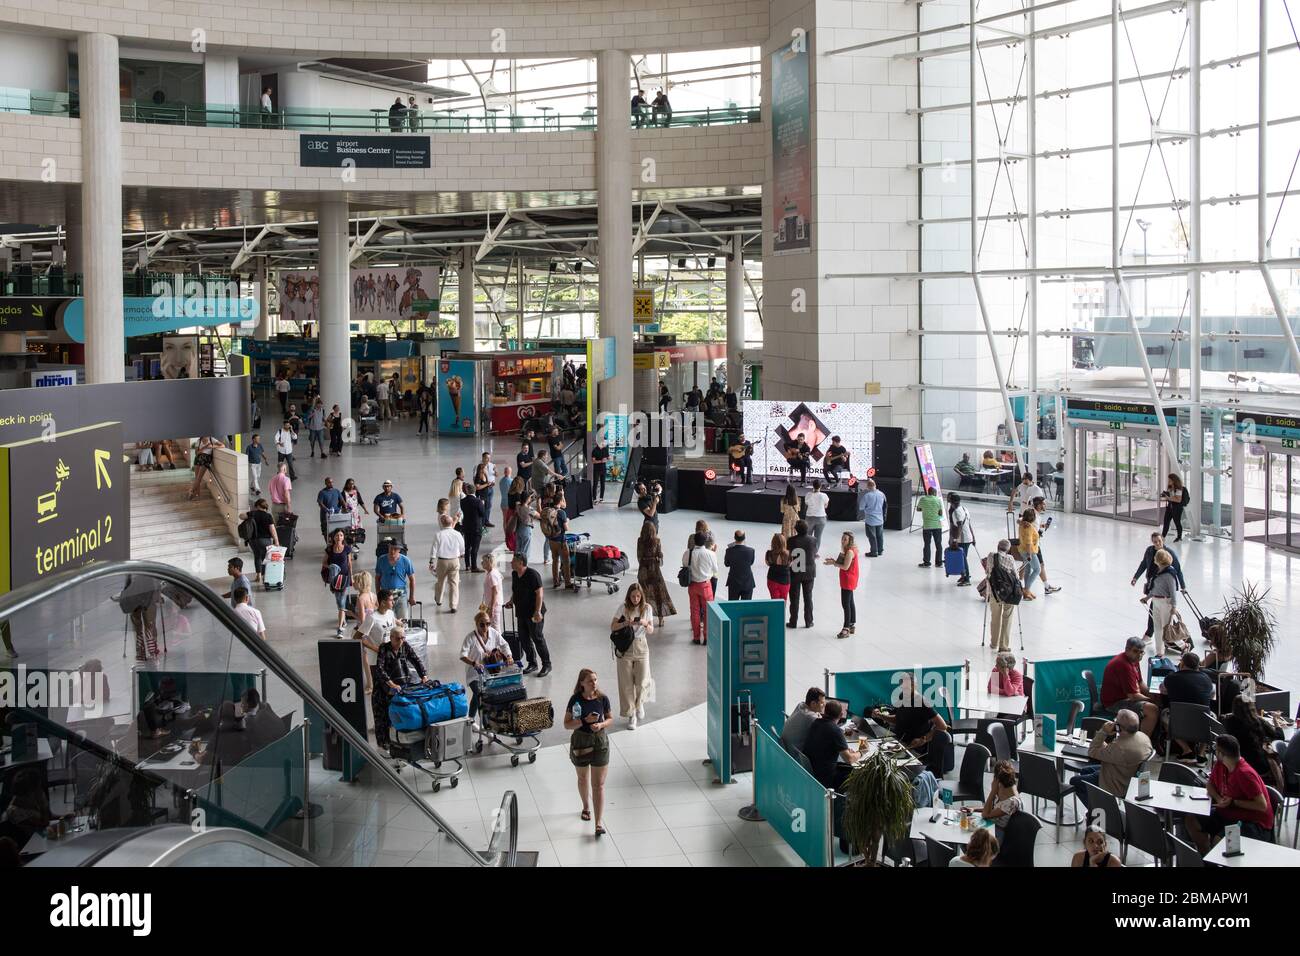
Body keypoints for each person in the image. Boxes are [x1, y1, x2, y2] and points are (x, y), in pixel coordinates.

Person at [1185, 733, 1276, 851]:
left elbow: (1262, 805)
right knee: (1191, 820)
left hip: (1253, 823)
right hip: (1228, 813)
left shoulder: (1245, 774)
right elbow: (1210, 785)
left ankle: (1214, 860)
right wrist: (1219, 799)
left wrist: (1234, 802)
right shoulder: (1221, 764)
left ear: (1221, 754)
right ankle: (1205, 858)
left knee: (1220, 841)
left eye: (1215, 749)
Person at [1069, 709, 1152, 813]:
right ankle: (1097, 801)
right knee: (1085, 770)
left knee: (1075, 781)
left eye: (1115, 721)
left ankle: (1098, 811)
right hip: (1125, 773)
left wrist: (1103, 732)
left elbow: (1092, 751)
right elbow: (1113, 752)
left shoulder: (1120, 747)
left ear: (1118, 727)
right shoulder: (1143, 737)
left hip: (1115, 783)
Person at [870, 672, 949, 776]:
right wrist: (880, 716)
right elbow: (897, 718)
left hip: (914, 749)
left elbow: (942, 726)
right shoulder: (902, 696)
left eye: (908, 687)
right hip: (899, 743)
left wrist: (923, 739)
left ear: (915, 685)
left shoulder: (922, 702)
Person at [565, 668, 613, 836]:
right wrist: (584, 721)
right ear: (582, 683)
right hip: (581, 742)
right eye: (590, 680)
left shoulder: (602, 699)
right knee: (583, 778)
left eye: (595, 679)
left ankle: (598, 823)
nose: (594, 683)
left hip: (600, 742)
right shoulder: (575, 700)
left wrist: (600, 725)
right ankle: (586, 806)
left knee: (598, 785)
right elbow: (567, 724)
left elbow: (610, 718)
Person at [356, 589, 398, 742]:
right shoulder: (372, 618)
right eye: (391, 600)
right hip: (376, 661)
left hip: (391, 660)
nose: (393, 602)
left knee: (391, 691)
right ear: (382, 602)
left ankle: (390, 721)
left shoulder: (391, 615)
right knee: (379, 694)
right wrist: (377, 649)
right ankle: (378, 723)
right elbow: (358, 637)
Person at [612, 583, 655, 728]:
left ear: (642, 596)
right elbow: (613, 626)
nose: (635, 599)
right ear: (628, 596)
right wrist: (625, 624)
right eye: (633, 596)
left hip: (642, 646)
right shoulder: (623, 607)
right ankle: (631, 715)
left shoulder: (647, 608)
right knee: (626, 683)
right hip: (626, 648)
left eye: (638, 596)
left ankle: (639, 704)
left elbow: (651, 630)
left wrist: (644, 623)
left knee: (643, 681)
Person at [460, 608, 513, 720]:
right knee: (481, 695)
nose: (485, 627)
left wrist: (509, 656)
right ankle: (485, 723)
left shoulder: (493, 633)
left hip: (489, 673)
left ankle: (470, 719)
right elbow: (462, 655)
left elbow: (504, 645)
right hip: (474, 674)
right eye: (482, 625)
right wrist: (474, 663)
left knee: (477, 696)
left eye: (488, 624)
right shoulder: (470, 638)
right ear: (477, 624)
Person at [1131, 532, 1186, 641]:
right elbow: (1143, 564)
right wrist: (1135, 577)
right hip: (1153, 585)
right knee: (1162, 613)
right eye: (1155, 542)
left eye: (1159, 541)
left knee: (1160, 611)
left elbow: (1178, 570)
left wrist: (1183, 586)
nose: (1157, 543)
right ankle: (1172, 635)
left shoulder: (1168, 553)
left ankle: (1150, 634)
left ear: (1163, 540)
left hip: (1164, 589)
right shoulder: (1150, 551)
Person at [1100, 637, 1159, 735]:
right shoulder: (1123, 665)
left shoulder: (1134, 660)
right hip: (1113, 703)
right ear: (1127, 649)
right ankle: (1143, 743)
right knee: (1152, 709)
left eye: (1141, 652)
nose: (1139, 655)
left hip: (1126, 697)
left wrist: (1153, 694)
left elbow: (1140, 682)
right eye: (1136, 651)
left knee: (1155, 702)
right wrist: (1152, 700)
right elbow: (1133, 696)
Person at [1221, 697, 1285, 787]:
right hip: (1260, 767)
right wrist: (1275, 720)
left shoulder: (1228, 722)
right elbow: (1279, 737)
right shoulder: (1258, 722)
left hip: (1238, 763)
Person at [507, 552, 551, 677]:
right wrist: (511, 601)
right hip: (521, 612)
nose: (511, 563)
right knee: (524, 638)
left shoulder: (533, 575)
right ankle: (532, 663)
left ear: (520, 563)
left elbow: (539, 594)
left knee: (537, 638)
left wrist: (537, 611)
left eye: (513, 561)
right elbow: (516, 590)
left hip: (534, 613)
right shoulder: (515, 574)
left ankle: (547, 664)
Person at [801, 700, 859, 790]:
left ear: (825, 711)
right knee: (857, 771)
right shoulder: (835, 730)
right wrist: (861, 752)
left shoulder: (816, 722)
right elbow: (849, 759)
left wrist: (846, 751)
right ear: (841, 715)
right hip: (826, 777)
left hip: (813, 771)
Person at [980, 540, 1019, 652]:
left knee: (995, 617)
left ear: (997, 547)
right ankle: (1003, 646)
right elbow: (1016, 576)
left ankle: (994, 643)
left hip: (994, 592)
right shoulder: (1010, 558)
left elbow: (987, 572)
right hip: (1008, 593)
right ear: (1008, 549)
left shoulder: (991, 556)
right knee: (1007, 617)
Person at [1141, 548, 1180, 656]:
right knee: (1157, 628)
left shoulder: (1169, 573)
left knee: (1167, 630)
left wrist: (1174, 606)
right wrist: (1147, 598)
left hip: (1165, 602)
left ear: (1159, 559)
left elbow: (1173, 592)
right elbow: (1155, 589)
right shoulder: (1159, 571)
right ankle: (1159, 652)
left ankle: (1183, 645)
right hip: (1156, 601)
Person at [636, 520, 676, 626]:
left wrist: (643, 563)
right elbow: (660, 556)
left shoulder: (640, 540)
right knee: (658, 594)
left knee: (643, 594)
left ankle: (644, 617)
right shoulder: (657, 541)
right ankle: (660, 618)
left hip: (643, 569)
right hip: (654, 570)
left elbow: (639, 556)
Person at [682, 531, 718, 645]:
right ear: (705, 542)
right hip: (706, 585)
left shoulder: (688, 553)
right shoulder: (710, 554)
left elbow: (684, 565)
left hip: (692, 585)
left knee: (695, 611)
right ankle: (707, 637)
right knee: (708, 612)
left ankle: (696, 637)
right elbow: (715, 569)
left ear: (694, 541)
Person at [824, 531, 859, 639]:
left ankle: (846, 628)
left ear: (850, 541)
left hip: (848, 579)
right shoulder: (852, 549)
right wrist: (834, 561)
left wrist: (833, 563)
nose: (842, 541)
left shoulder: (849, 552)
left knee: (845, 604)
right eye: (842, 538)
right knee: (850, 601)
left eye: (845, 539)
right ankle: (852, 624)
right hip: (850, 578)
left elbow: (845, 567)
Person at [429, 513, 465, 612]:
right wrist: (461, 553)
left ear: (442, 523)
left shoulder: (439, 534)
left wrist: (432, 560)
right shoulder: (457, 534)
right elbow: (462, 545)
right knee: (454, 583)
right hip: (454, 560)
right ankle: (453, 605)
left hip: (442, 561)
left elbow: (434, 548)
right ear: (452, 522)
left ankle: (439, 600)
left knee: (440, 581)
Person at [322, 528, 353, 637]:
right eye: (337, 535)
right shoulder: (329, 549)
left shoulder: (347, 549)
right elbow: (324, 563)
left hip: (344, 578)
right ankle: (343, 619)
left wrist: (351, 577)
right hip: (334, 579)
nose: (339, 537)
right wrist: (331, 566)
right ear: (333, 537)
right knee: (338, 600)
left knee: (342, 602)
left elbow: (349, 564)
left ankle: (340, 628)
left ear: (343, 537)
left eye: (341, 535)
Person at [375, 539, 416, 620]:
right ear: (388, 547)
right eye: (391, 548)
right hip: (386, 595)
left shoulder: (406, 561)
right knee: (387, 620)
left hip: (401, 594)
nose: (392, 551)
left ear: (399, 550)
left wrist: (411, 597)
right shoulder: (381, 560)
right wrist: (378, 595)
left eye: (395, 549)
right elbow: (377, 578)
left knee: (403, 621)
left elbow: (412, 579)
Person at [787, 519, 816, 629]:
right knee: (808, 597)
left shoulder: (791, 540)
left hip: (795, 572)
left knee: (794, 598)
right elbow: (814, 552)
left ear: (796, 530)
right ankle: (809, 621)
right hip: (809, 572)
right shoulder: (813, 540)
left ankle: (793, 621)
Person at [780, 687, 827, 754]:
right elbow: (826, 728)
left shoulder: (801, 705)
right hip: (797, 757)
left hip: (788, 750)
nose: (824, 705)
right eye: (822, 703)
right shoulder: (810, 716)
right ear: (813, 703)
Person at [541, 496, 574, 590]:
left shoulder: (549, 511)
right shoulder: (561, 512)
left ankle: (556, 582)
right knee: (566, 561)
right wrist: (567, 521)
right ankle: (567, 583)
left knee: (555, 560)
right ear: (560, 501)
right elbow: (566, 528)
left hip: (551, 540)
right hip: (561, 541)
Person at [1030, 497, 1062, 594]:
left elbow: (1033, 525)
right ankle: (1027, 588)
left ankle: (1046, 586)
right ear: (1039, 505)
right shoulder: (1032, 514)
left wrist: (1041, 526)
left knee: (1035, 566)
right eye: (1044, 504)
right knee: (1037, 567)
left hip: (1035, 543)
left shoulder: (1037, 515)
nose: (1045, 505)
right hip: (1032, 545)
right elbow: (1021, 520)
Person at [244, 498, 279, 582]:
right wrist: (276, 541)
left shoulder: (252, 514)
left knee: (257, 557)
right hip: (265, 540)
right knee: (265, 558)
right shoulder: (268, 516)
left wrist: (248, 514)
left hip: (253, 540)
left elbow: (241, 516)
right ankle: (264, 576)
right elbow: (272, 529)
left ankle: (258, 575)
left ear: (257, 506)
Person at [981, 761, 1023, 831]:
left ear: (996, 780)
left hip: (999, 832)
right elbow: (994, 808)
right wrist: (974, 809)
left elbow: (985, 814)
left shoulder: (1011, 802)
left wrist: (993, 792)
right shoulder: (1007, 790)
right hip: (993, 825)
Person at [946, 492, 975, 586]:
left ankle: (967, 578)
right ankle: (964, 575)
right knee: (963, 557)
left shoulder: (956, 512)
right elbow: (969, 523)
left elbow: (959, 526)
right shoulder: (964, 509)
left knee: (963, 558)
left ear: (951, 502)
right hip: (968, 537)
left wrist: (955, 540)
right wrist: (973, 537)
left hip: (963, 539)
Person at [915, 485, 944, 568]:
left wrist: (925, 509)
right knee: (938, 544)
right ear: (934, 493)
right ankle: (939, 563)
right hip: (937, 525)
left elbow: (918, 509)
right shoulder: (938, 500)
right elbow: (941, 513)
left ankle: (927, 562)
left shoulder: (923, 499)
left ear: (928, 492)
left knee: (927, 544)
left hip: (927, 525)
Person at [857, 478, 887, 557]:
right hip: (880, 518)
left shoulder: (867, 496)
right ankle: (880, 550)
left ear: (868, 487)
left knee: (872, 536)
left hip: (870, 519)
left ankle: (874, 551)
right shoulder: (882, 494)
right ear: (875, 485)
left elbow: (861, 507)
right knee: (880, 535)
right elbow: (885, 505)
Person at [188, 435, 224, 500]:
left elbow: (223, 445)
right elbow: (196, 453)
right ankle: (197, 494)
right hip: (198, 458)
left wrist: (212, 446)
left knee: (199, 478)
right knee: (197, 478)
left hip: (206, 458)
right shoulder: (198, 441)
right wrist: (205, 447)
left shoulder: (211, 439)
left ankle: (191, 491)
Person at [460, 485, 486, 572]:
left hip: (466, 526)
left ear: (467, 491)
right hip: (476, 527)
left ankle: (467, 565)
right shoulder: (478, 501)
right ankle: (474, 566)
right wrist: (483, 504)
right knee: (475, 547)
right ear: (474, 491)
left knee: (467, 546)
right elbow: (482, 513)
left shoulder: (462, 501)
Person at [724, 530, 756, 600]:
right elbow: (751, 563)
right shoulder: (751, 551)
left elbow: (726, 564)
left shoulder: (729, 550)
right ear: (744, 538)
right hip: (747, 582)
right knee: (746, 606)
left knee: (732, 606)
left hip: (733, 582)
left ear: (734, 538)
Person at [1017, 507, 1041, 599]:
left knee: (1028, 570)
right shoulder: (1029, 527)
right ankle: (1026, 589)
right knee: (1037, 569)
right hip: (1029, 551)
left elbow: (1019, 520)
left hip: (1022, 549)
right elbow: (1028, 542)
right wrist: (1030, 554)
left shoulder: (1022, 524)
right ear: (1032, 517)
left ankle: (1027, 592)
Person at [764, 532, 792, 606]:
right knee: (784, 600)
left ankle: (775, 616)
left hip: (772, 579)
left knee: (775, 602)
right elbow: (790, 564)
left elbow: (767, 563)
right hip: (785, 580)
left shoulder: (769, 553)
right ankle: (782, 616)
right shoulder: (789, 554)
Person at [804, 479, 830, 557]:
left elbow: (806, 503)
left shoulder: (808, 494)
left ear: (813, 486)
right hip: (821, 518)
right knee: (818, 536)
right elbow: (826, 505)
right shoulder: (824, 495)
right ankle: (814, 553)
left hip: (809, 517)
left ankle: (807, 552)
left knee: (808, 535)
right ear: (820, 486)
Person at [1160, 472, 1189, 541]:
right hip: (1170, 507)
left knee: (1177, 522)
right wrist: (1166, 495)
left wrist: (1168, 498)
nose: (1168, 481)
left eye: (1170, 480)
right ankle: (1162, 537)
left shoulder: (1179, 488)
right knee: (1166, 522)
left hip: (1177, 508)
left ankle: (1179, 537)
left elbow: (1178, 500)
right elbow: (1171, 497)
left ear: (1174, 481)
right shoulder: (1170, 487)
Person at [480, 553, 504, 632]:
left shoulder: (492, 575)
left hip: (494, 605)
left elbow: (495, 592)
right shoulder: (492, 572)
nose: (481, 563)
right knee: (492, 625)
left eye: (483, 561)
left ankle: (500, 643)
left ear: (488, 563)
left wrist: (492, 608)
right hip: (490, 604)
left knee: (495, 627)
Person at [477, 454, 497, 527]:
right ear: (483, 458)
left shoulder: (492, 465)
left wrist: (496, 470)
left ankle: (486, 521)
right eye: (486, 458)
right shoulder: (478, 467)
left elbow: (496, 474)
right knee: (482, 507)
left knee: (488, 505)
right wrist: (486, 485)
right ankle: (481, 522)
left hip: (490, 488)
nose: (488, 460)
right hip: (483, 489)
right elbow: (476, 479)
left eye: (489, 458)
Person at [590, 436, 610, 502]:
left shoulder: (605, 449)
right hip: (597, 469)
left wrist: (607, 459)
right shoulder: (594, 450)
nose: (604, 443)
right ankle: (594, 499)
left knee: (603, 484)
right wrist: (601, 461)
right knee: (595, 484)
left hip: (603, 469)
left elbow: (608, 458)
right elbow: (593, 461)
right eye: (603, 441)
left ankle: (601, 498)